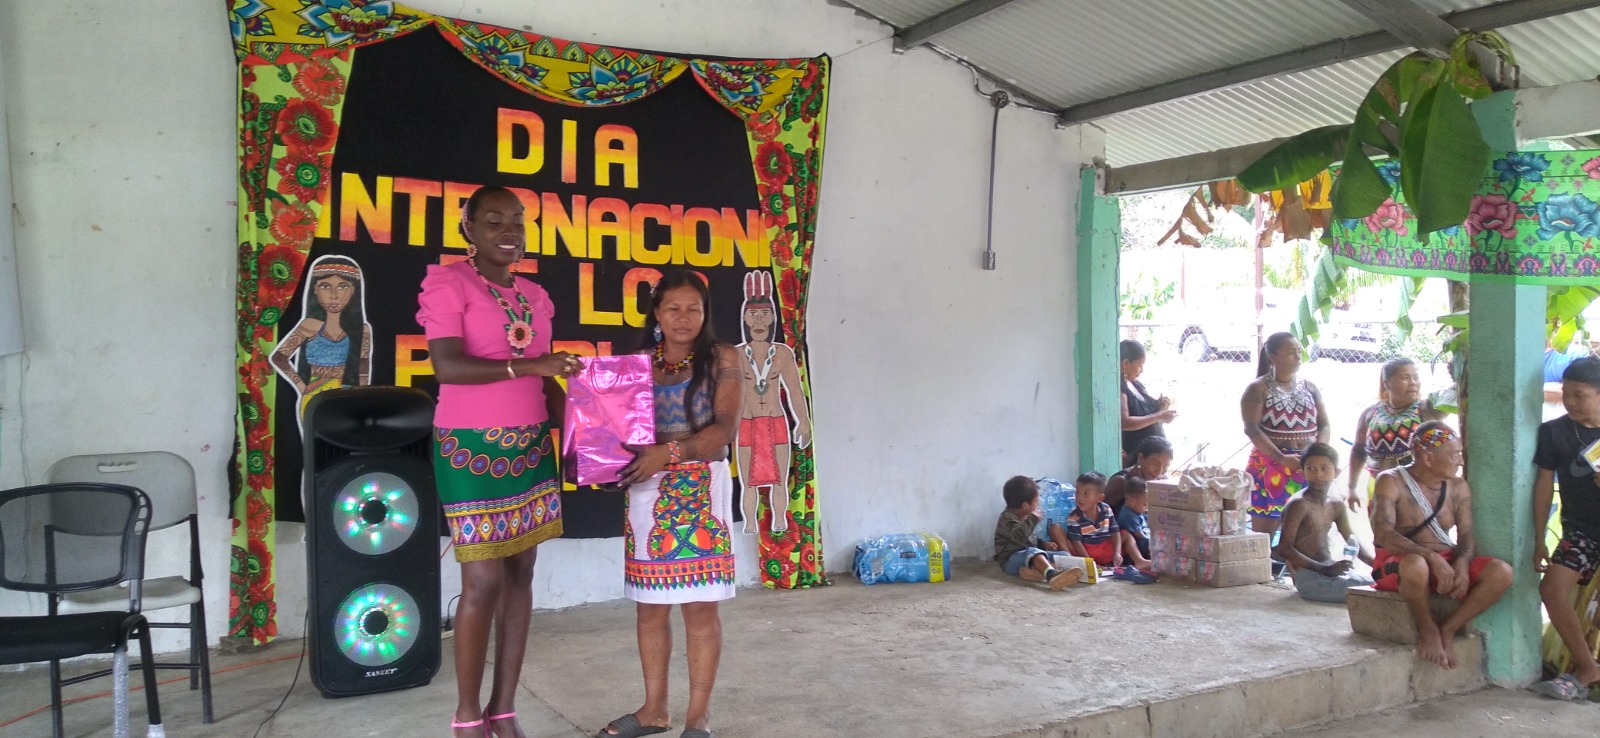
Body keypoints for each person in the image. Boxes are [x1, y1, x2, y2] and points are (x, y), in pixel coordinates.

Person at [417, 186, 581, 738]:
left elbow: (547, 380)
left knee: (520, 572)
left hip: (530, 444)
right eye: (493, 221)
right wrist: (531, 365)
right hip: (469, 448)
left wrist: (582, 432)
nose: (508, 231)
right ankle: (467, 714)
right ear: (468, 228)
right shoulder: (449, 283)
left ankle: (504, 709)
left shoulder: (535, 295)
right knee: (482, 579)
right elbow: (447, 367)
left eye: (517, 221)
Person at [600, 272, 743, 738]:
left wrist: (668, 453)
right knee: (650, 608)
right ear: (657, 315)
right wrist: (604, 463)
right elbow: (613, 430)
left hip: (702, 490)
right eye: (673, 309)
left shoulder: (724, 357)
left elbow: (723, 430)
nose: (684, 318)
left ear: (705, 314)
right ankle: (654, 711)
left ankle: (698, 718)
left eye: (693, 309)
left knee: (700, 608)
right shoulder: (636, 364)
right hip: (647, 489)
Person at [1370, 422, 1513, 670]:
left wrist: (1462, 563)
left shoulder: (1458, 486)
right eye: (1454, 455)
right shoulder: (1390, 480)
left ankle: (1449, 628)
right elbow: (1383, 532)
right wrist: (1430, 557)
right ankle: (1428, 629)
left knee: (1501, 572)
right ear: (1428, 458)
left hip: (1442, 560)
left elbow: (1466, 534)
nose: (1460, 462)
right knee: (1416, 565)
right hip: (1400, 563)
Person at [1531, 357, 1600, 700]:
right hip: (1582, 531)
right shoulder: (1553, 432)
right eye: (1566, 393)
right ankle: (1587, 667)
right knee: (1551, 590)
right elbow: (1544, 485)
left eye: (1580, 395)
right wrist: (1538, 538)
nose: (1570, 402)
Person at [735, 270, 812, 535]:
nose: (759, 320)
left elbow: (795, 390)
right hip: (747, 423)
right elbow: (725, 394)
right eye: (753, 314)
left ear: (772, 318)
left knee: (779, 479)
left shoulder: (782, 354)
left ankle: (779, 518)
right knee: (748, 481)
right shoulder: (736, 355)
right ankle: (750, 521)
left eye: (765, 314)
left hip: (776, 421)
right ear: (745, 318)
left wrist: (803, 421)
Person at [1241, 332, 1329, 540]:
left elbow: (1324, 425)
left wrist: (1319, 455)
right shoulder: (1257, 389)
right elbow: (1251, 429)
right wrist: (1281, 458)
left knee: (1307, 532)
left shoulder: (1309, 387)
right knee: (1264, 535)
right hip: (1269, 466)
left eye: (1299, 351)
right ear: (1273, 357)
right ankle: (1266, 562)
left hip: (1305, 466)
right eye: (1291, 352)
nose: (1298, 356)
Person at [270, 255, 373, 426]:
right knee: (317, 440)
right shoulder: (310, 326)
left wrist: (362, 394)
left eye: (342, 286)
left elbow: (363, 363)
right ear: (315, 289)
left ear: (353, 290)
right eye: (325, 286)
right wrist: (303, 387)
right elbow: (279, 357)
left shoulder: (362, 330)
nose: (334, 295)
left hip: (348, 397)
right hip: (316, 398)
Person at [1276, 443, 1374, 603]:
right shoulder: (1299, 504)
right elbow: (1284, 548)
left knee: (1381, 583)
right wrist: (1325, 569)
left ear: (1336, 472)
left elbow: (1352, 540)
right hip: (1309, 579)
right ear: (1302, 472)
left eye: (1324, 468)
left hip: (1331, 571)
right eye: (1311, 468)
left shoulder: (1336, 505)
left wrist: (1378, 566)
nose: (1318, 475)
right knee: (1373, 591)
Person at [1347, 358, 1444, 511]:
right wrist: (1351, 488)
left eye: (1416, 377)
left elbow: (1455, 393)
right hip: (1380, 487)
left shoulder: (1427, 408)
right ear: (1387, 383)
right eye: (1405, 378)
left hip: (1420, 489)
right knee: (1383, 523)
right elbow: (1358, 451)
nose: (1413, 382)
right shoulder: (1371, 413)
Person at [994, 475, 1082, 590]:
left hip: (1029, 555)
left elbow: (1030, 539)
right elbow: (1019, 538)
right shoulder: (1007, 518)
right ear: (1025, 506)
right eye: (1036, 501)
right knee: (1034, 553)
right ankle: (1051, 574)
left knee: (1063, 555)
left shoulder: (1024, 516)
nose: (1038, 504)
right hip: (1010, 560)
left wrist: (1043, 544)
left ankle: (1036, 572)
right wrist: (1033, 519)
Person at [1120, 339, 1176, 467]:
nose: (1142, 370)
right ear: (1126, 363)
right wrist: (1159, 416)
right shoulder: (1120, 388)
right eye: (1140, 365)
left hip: (1155, 460)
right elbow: (1124, 422)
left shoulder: (1136, 385)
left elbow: (1146, 415)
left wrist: (1160, 407)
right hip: (1137, 460)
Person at [1053, 472, 1122, 568]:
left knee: (1126, 534)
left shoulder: (1106, 509)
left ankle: (1138, 560)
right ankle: (1074, 561)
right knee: (1055, 528)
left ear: (1099, 498)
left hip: (1105, 550)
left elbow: (1115, 532)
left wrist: (1117, 553)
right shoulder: (1074, 515)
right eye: (1077, 492)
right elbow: (1076, 542)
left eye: (1086, 494)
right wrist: (1090, 563)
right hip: (1086, 551)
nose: (1080, 498)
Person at [1106, 436, 1173, 513]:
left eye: (1165, 466)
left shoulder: (1162, 481)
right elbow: (1101, 512)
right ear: (1140, 458)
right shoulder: (1121, 482)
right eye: (1155, 464)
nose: (1159, 471)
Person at [1115, 477, 1154, 570]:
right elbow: (1140, 535)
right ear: (1132, 501)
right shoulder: (1128, 515)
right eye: (1145, 504)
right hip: (1133, 549)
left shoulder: (1138, 511)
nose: (1147, 508)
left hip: (1143, 540)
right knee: (1149, 542)